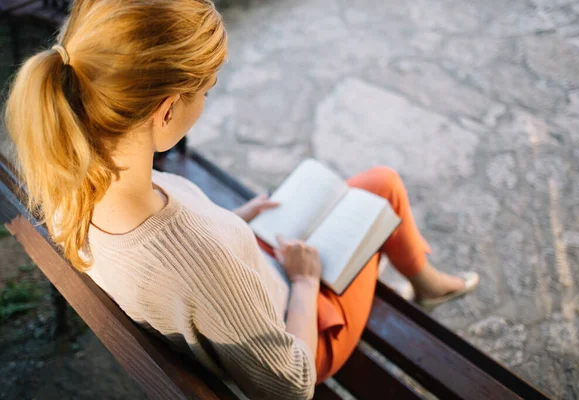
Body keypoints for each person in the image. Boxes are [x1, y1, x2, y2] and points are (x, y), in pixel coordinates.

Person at [4, 0, 478, 398]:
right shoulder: (200, 259)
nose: (207, 99)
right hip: (304, 327)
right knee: (383, 191)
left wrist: (233, 221)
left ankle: (429, 282)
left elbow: (185, 257)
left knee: (375, 183)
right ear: (166, 111)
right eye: (206, 90)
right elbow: (293, 383)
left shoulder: (72, 189)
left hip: (254, 273)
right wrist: (307, 280)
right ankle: (429, 284)